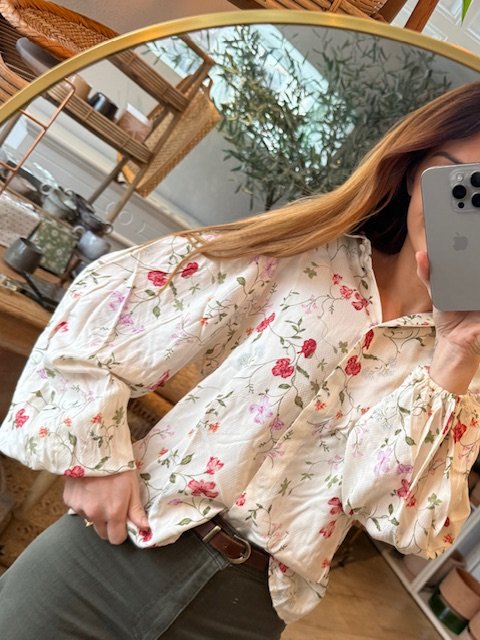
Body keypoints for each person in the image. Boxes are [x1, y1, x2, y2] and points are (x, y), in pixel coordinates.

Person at [1, 80, 480, 640]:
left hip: (243, 613)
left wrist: (454, 353)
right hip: (109, 555)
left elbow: (400, 520)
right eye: (462, 185)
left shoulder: (468, 373)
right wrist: (94, 457)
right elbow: (125, 300)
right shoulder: (307, 254)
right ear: (414, 170)